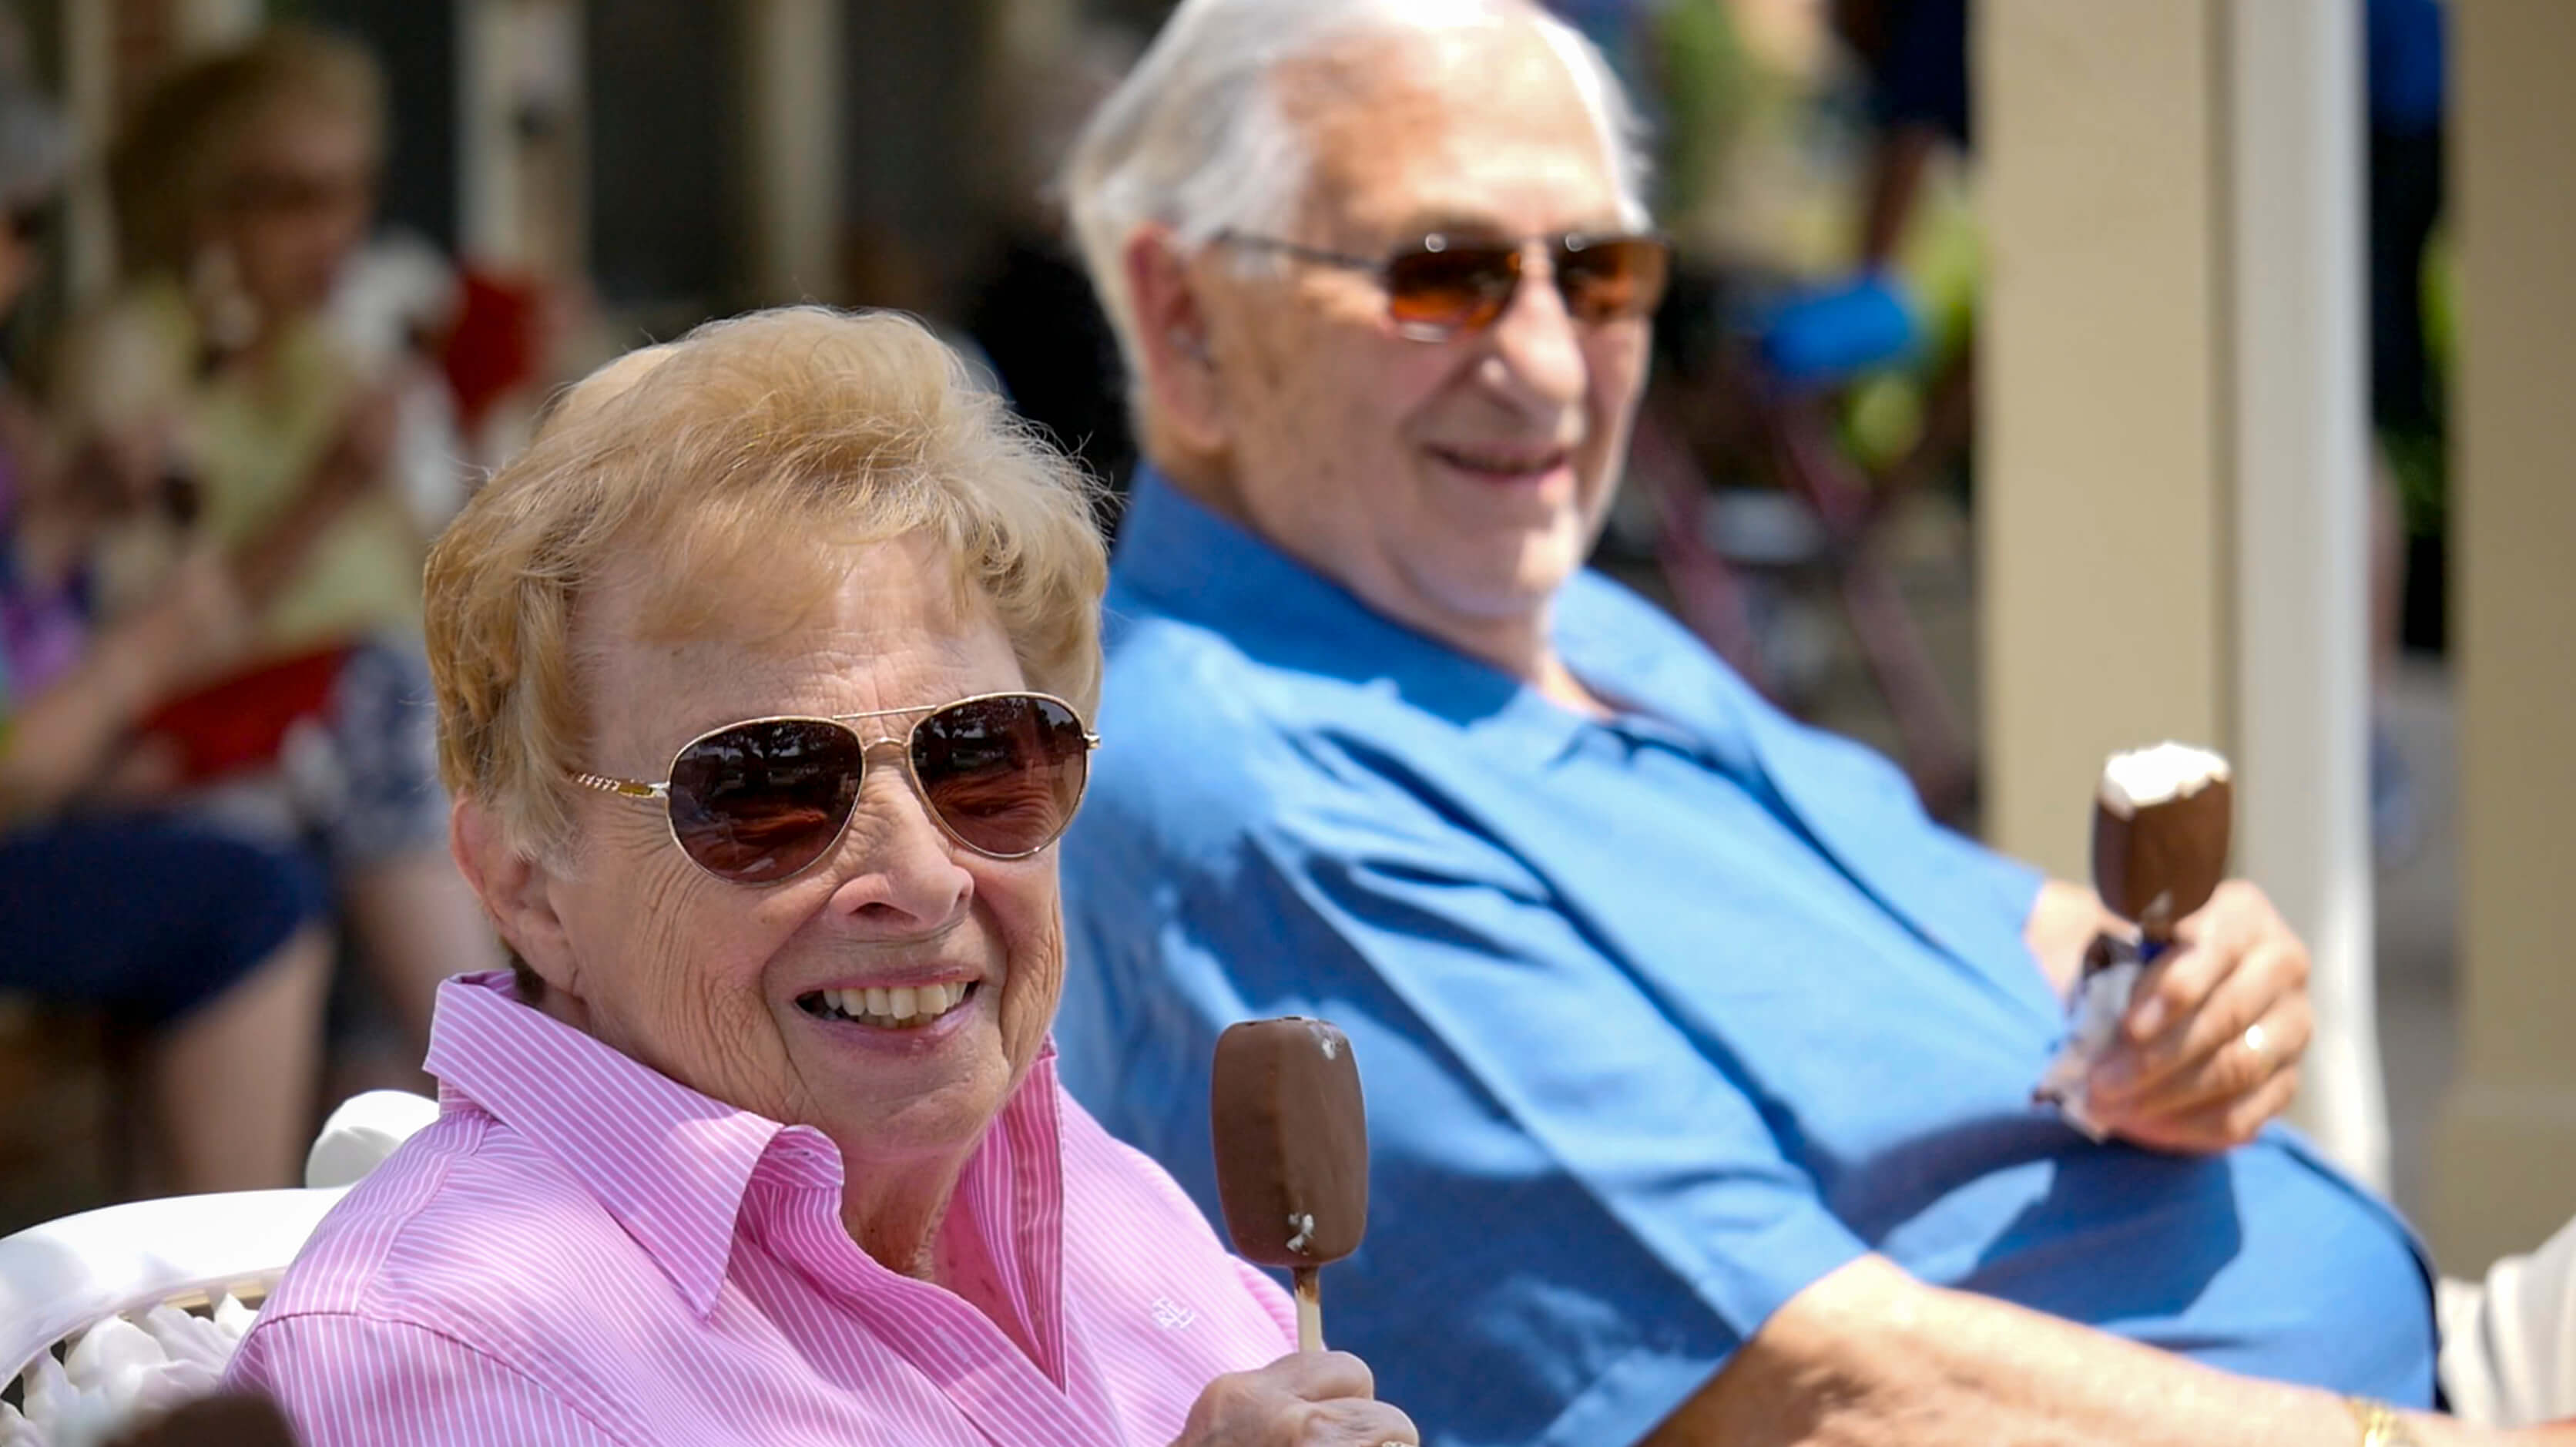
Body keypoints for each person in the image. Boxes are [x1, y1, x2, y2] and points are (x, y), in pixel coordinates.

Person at [1048, 2, 2568, 1444]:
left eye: (1599, 275)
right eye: (1442, 276)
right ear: (1187, 316)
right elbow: (1815, 1391)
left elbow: (2016, 927)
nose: (1551, 362)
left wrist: (2200, 984)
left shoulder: (1534, 620)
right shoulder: (1251, 789)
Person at [221, 307, 1417, 1447]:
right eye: (769, 788)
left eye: (985, 758)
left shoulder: (1091, 1192)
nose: (923, 877)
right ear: (527, 884)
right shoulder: (437, 1348)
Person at [50, 28, 491, 1059]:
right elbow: (148, 629)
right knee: (386, 697)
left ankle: (470, 1083)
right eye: (296, 198)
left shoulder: (325, 354)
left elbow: (421, 578)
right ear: (203, 206)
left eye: (354, 193)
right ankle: (503, 1078)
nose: (336, 231)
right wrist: (323, 496)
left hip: (349, 760)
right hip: (187, 740)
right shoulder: (137, 356)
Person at [0, 49, 330, 1196]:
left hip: (74, 782)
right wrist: (140, 660)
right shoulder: (129, 347)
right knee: (256, 896)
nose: (22, 262)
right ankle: (230, 1276)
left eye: (32, 226)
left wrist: (65, 519)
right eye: (10, 223)